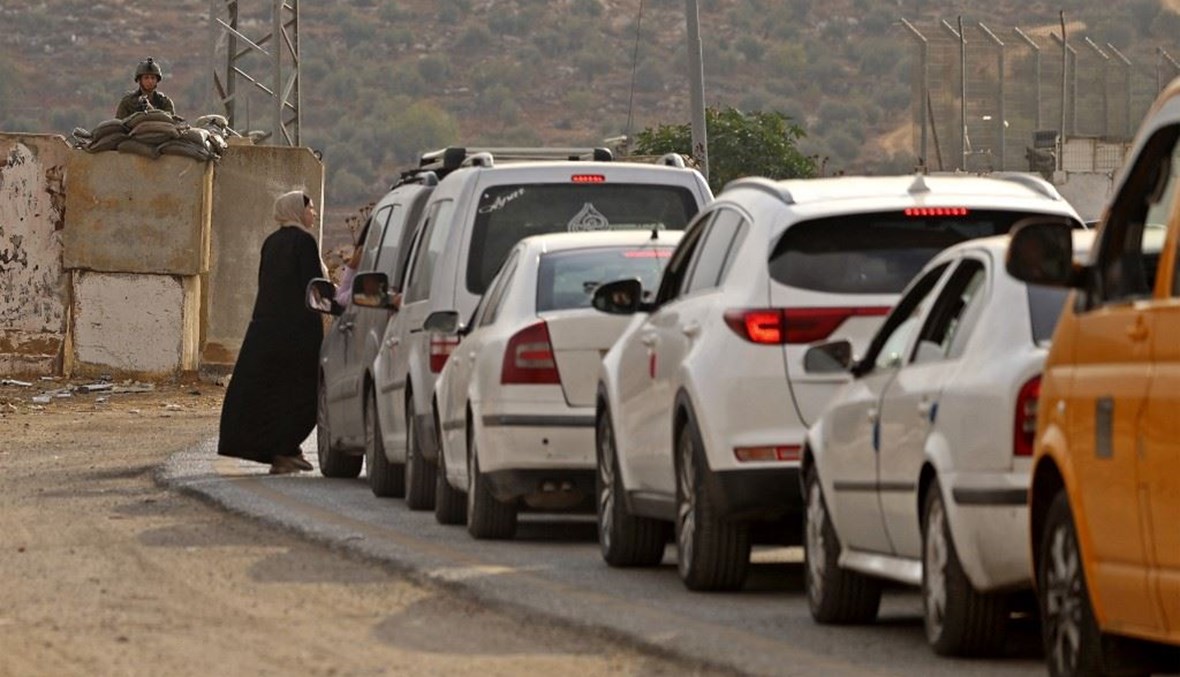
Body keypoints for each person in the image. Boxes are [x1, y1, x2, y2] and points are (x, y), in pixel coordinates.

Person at [218, 190, 324, 474]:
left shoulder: (271, 242)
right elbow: (314, 288)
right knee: (304, 393)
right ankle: (283, 450)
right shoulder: (304, 242)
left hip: (265, 331)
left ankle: (287, 450)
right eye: (310, 208)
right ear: (296, 211)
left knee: (268, 394)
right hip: (298, 333)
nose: (313, 212)